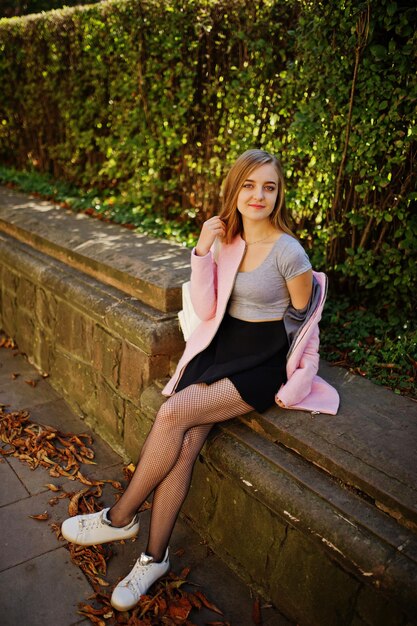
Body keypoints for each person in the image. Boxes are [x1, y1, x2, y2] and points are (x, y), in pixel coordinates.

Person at [61, 149, 339, 611]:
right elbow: (208, 308)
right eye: (249, 185)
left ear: (279, 194)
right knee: (186, 442)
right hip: (220, 348)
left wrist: (298, 374)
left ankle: (120, 515)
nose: (259, 195)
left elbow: (305, 319)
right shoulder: (227, 239)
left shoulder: (290, 252)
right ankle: (154, 557)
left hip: (262, 362)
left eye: (268, 187)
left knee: (172, 413)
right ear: (235, 189)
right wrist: (201, 250)